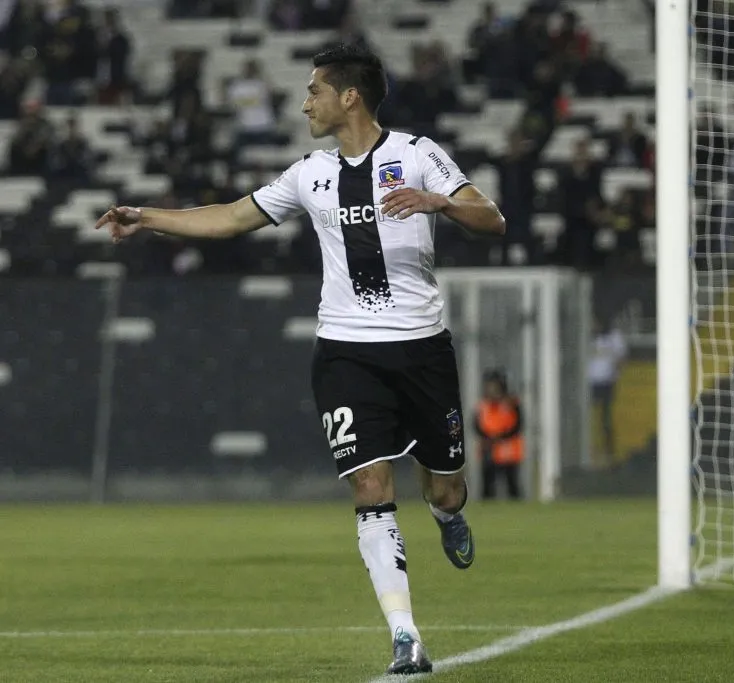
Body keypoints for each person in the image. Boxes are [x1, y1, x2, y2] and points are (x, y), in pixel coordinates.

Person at [95, 43, 506, 676]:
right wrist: (145, 216)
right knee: (369, 486)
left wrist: (443, 204)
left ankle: (448, 515)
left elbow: (493, 217)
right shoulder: (307, 173)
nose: (304, 101)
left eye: (314, 89)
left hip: (423, 350)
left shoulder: (418, 155)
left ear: (350, 96)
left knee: (445, 489)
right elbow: (231, 218)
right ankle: (406, 636)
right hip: (345, 351)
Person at [474, 369, 523, 500]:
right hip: (488, 447)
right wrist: (488, 437)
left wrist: (501, 437)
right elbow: (476, 425)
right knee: (487, 485)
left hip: (508, 449)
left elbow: (518, 424)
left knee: (512, 483)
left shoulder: (512, 403)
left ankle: (516, 509)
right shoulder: (482, 404)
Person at [588, 318, 627, 463]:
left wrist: (615, 375)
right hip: (589, 383)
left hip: (606, 382)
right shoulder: (585, 336)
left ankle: (608, 451)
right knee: (588, 419)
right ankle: (590, 450)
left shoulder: (614, 337)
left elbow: (621, 358)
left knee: (605, 418)